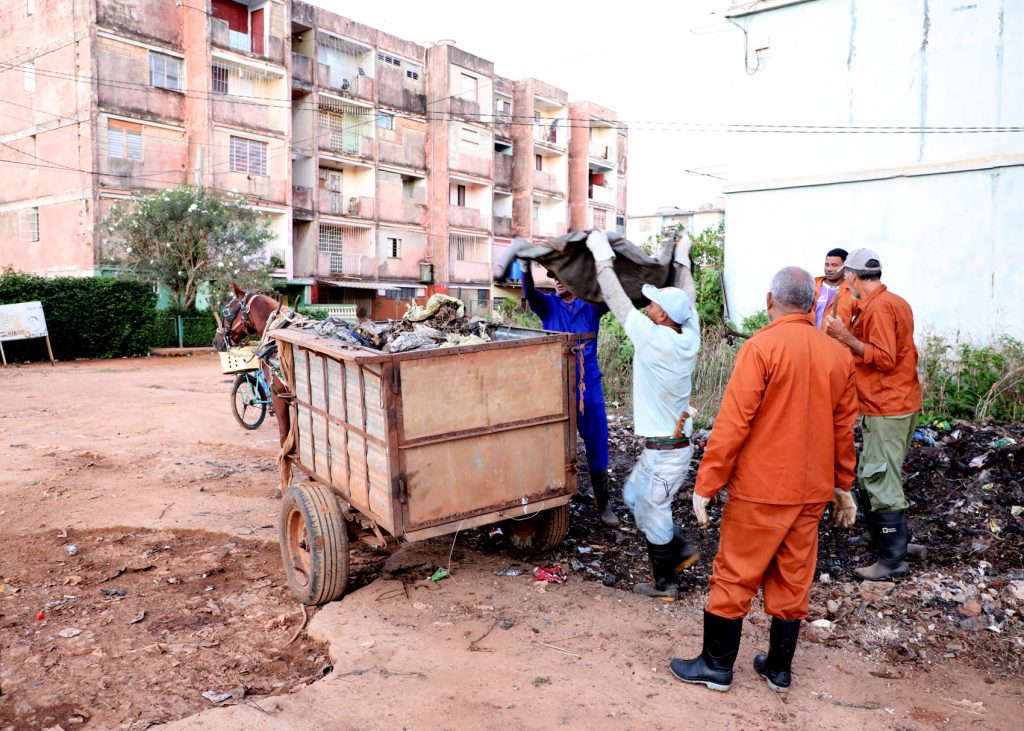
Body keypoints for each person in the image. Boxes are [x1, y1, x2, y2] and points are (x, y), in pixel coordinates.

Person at [669, 267, 858, 693]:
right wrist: (842, 486)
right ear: (811, 304)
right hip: (811, 491)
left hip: (761, 489)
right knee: (794, 577)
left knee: (735, 574)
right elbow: (843, 430)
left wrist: (707, 484)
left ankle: (716, 667)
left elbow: (733, 424)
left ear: (770, 301)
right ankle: (778, 669)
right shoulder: (838, 355)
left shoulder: (761, 347)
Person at [584, 230, 701, 600]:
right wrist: (682, 259)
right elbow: (689, 299)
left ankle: (665, 583)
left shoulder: (652, 338)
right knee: (634, 497)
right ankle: (678, 550)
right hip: (663, 449)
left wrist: (601, 256)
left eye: (652, 304)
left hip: (667, 453)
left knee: (655, 511)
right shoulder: (689, 335)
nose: (646, 306)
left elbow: (616, 298)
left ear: (663, 315)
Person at [824, 248, 922, 581]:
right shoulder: (893, 302)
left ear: (852, 276)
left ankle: (893, 560)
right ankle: (880, 536)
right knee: (872, 473)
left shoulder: (879, 307)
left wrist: (844, 337)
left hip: (887, 406)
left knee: (881, 478)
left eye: (845, 278)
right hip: (893, 403)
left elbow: (884, 358)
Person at [520, 262, 618, 526]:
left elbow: (611, 294)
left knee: (598, 442)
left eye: (563, 276)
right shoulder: (547, 305)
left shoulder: (591, 306)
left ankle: (603, 503)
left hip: (589, 389)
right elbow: (529, 292)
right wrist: (525, 267)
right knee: (554, 446)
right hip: (557, 390)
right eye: (554, 277)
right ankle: (553, 502)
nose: (558, 281)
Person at [812, 248, 854, 330]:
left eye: (834, 265)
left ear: (846, 267)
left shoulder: (854, 292)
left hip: (837, 338)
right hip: (808, 336)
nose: (829, 269)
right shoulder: (811, 285)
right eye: (827, 265)